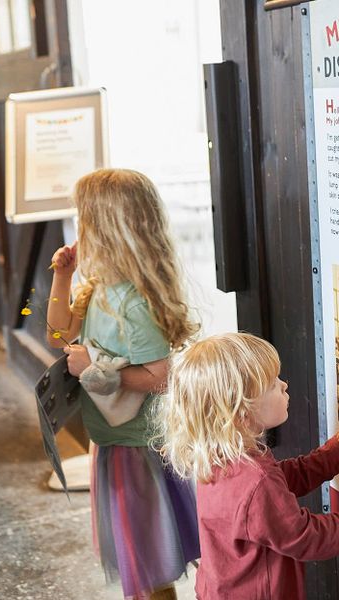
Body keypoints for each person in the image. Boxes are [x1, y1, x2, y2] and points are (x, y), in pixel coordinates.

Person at [47, 169, 200, 600]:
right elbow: (58, 333)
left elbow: (162, 378)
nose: (79, 227)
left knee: (150, 565)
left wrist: (95, 366)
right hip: (111, 440)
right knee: (139, 559)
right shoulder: (96, 288)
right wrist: (63, 276)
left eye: (84, 218)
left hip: (138, 449)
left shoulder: (135, 304)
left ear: (109, 228)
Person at [153, 332, 339, 600]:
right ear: (241, 411)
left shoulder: (221, 459)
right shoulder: (254, 479)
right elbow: (304, 537)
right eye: (272, 384)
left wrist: (327, 459)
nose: (284, 385)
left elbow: (278, 484)